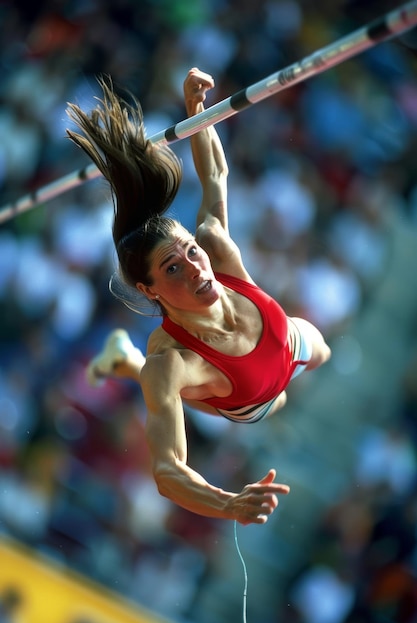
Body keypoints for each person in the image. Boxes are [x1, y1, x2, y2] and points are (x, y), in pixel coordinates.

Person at [66, 67, 331, 526]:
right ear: (148, 289)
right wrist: (227, 503)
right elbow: (168, 472)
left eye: (190, 251)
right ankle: (129, 361)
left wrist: (197, 111)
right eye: (173, 268)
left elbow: (216, 174)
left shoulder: (216, 247)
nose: (195, 266)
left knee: (323, 352)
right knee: (169, 382)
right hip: (253, 401)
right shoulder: (172, 361)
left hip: (289, 339)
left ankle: (127, 361)